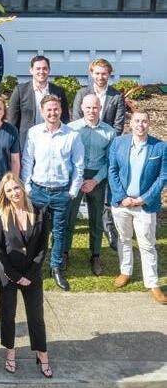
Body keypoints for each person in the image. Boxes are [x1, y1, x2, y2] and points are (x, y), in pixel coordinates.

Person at [0, 172, 53, 377]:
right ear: (5, 194)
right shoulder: (0, 215)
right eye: (9, 190)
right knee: (8, 315)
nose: (14, 193)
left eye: (16, 187)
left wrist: (32, 273)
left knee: (36, 316)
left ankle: (42, 353)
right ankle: (10, 352)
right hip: (7, 275)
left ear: (22, 187)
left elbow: (43, 247)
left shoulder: (40, 211)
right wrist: (16, 276)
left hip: (32, 274)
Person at [21, 94, 84, 290]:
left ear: (61, 110)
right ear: (42, 111)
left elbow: (79, 165)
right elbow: (27, 161)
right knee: (35, 231)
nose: (53, 112)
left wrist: (73, 191)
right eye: (48, 109)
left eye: (56, 108)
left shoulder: (72, 135)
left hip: (61, 193)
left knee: (59, 232)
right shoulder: (34, 133)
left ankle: (56, 267)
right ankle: (32, 264)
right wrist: (27, 187)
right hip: (38, 191)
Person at [108, 110, 167, 303]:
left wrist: (144, 198)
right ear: (131, 123)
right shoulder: (118, 143)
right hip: (122, 204)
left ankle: (152, 283)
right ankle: (125, 271)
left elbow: (163, 177)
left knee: (147, 244)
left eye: (144, 121)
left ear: (149, 124)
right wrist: (122, 197)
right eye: (137, 121)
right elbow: (112, 170)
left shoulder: (160, 147)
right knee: (124, 239)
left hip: (145, 205)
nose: (140, 125)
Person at [67, 94, 116, 276]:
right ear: (82, 108)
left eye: (95, 107)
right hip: (75, 176)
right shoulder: (71, 129)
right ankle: (64, 252)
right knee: (69, 216)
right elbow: (66, 155)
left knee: (96, 219)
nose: (91, 111)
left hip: (97, 177)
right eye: (88, 107)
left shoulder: (109, 132)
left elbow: (110, 161)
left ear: (100, 108)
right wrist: (76, 177)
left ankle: (95, 255)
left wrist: (95, 180)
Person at [7, 54, 70, 146]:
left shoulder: (58, 91)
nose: (41, 71)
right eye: (38, 68)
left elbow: (64, 119)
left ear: (49, 70)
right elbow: (12, 121)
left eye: (44, 68)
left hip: (52, 141)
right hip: (27, 142)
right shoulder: (20, 91)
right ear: (31, 70)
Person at [71, 57, 127, 134]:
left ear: (109, 74)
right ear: (91, 74)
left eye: (104, 74)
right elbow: (76, 120)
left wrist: (110, 139)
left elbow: (118, 126)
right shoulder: (82, 94)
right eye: (97, 73)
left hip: (108, 138)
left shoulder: (117, 96)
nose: (100, 77)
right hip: (83, 137)